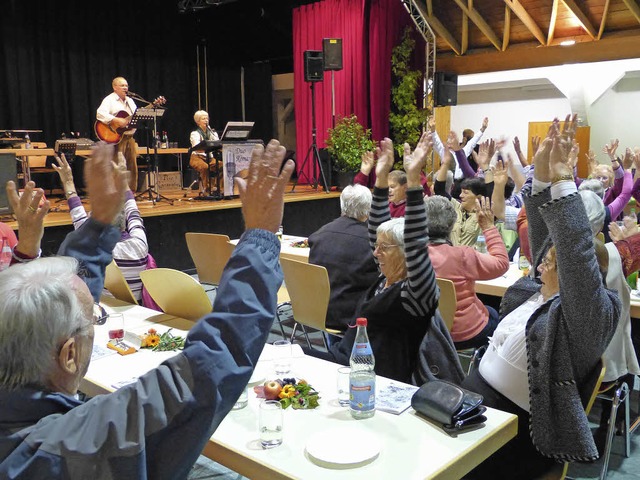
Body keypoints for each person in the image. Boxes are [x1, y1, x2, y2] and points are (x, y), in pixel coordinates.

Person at [0, 140, 295, 478]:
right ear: (69, 356)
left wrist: (99, 223)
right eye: (88, 324)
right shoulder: (72, 448)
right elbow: (210, 366)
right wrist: (261, 235)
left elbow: (65, 291)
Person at [462, 117, 620, 479]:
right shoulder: (539, 292)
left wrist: (565, 180)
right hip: (479, 409)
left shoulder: (588, 315)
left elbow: (574, 249)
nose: (545, 258)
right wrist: (543, 175)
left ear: (581, 277)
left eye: (553, 258)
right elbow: (543, 232)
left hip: (518, 435)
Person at [312, 134, 439, 384]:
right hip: (346, 360)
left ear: (405, 253)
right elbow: (376, 228)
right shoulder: (385, 278)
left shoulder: (416, 294)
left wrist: (414, 181)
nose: (375, 252)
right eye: (376, 247)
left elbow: (415, 242)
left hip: (378, 380)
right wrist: (380, 181)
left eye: (384, 248)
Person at [53, 152, 152, 304]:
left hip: (105, 310)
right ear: (123, 220)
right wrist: (123, 182)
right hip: (138, 309)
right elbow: (133, 210)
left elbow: (77, 212)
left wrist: (68, 181)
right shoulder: (139, 244)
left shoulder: (94, 248)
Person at [423, 195, 509, 349]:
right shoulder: (462, 255)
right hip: (464, 333)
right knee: (493, 313)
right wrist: (489, 226)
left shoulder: (408, 255)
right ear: (451, 224)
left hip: (423, 332)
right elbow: (502, 263)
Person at [308, 184, 378, 337]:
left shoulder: (318, 235)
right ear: (369, 208)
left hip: (315, 313)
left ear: (341, 204)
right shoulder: (374, 243)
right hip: (353, 319)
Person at [96, 77, 139, 192]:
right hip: (116, 137)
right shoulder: (109, 100)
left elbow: (135, 117)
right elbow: (99, 114)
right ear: (115, 87)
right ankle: (117, 193)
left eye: (126, 85)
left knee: (132, 166)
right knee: (117, 165)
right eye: (122, 85)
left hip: (129, 137)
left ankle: (131, 192)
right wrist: (115, 120)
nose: (125, 88)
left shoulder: (130, 101)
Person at [190, 110, 220, 195]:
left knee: (221, 166)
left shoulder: (211, 132)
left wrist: (213, 134)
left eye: (207, 118)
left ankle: (219, 189)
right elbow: (197, 147)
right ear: (198, 121)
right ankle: (207, 190)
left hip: (209, 157)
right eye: (203, 119)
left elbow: (217, 142)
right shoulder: (194, 133)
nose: (206, 120)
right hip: (197, 157)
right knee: (205, 167)